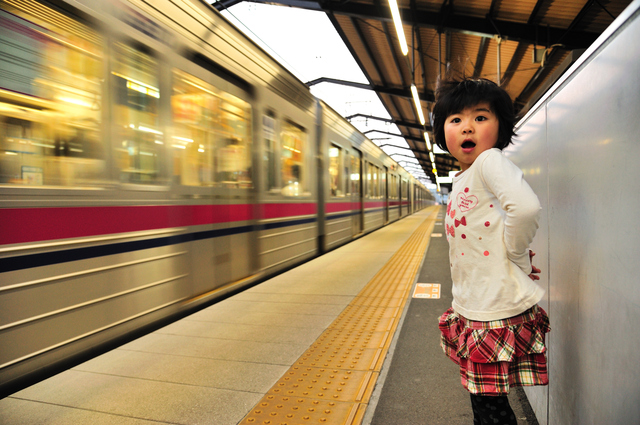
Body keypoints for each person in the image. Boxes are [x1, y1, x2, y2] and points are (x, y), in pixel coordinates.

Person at [432, 78, 550, 425]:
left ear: (501, 127)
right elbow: (485, 229)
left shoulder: (488, 162)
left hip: (491, 311)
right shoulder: (463, 177)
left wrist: (514, 256)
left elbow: (525, 209)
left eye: (481, 117)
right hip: (477, 304)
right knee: (485, 405)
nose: (467, 126)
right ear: (443, 132)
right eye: (455, 119)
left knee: (490, 409)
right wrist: (513, 257)